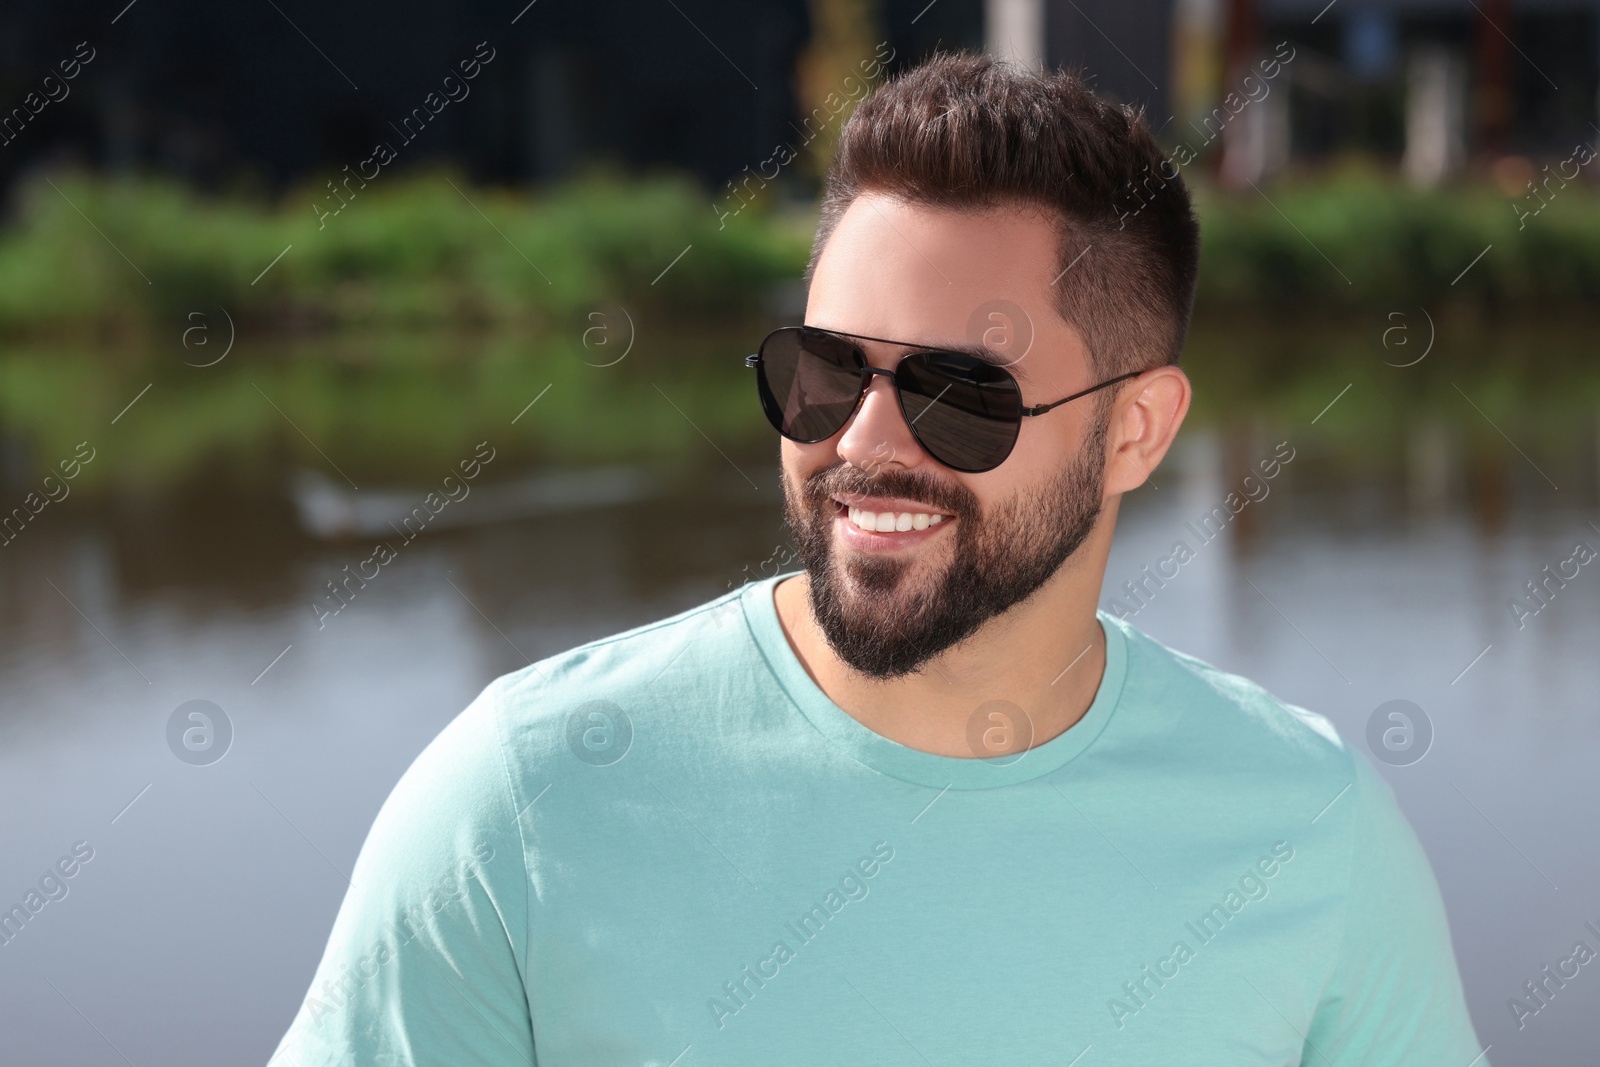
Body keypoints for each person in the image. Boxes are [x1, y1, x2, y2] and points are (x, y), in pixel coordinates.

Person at [269, 51, 1489, 1066]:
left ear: (1136, 430)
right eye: (827, 366)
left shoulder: (1305, 829)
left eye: (961, 392)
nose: (860, 441)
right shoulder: (523, 802)